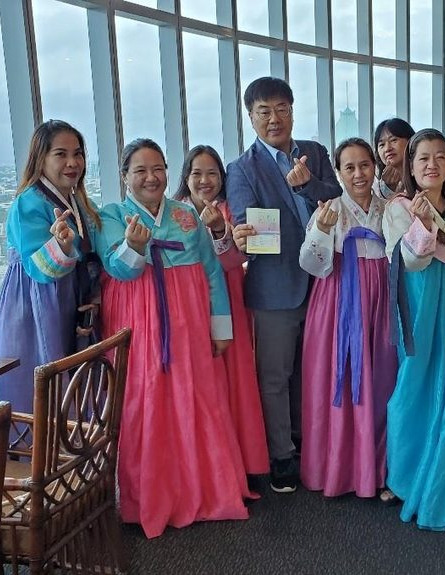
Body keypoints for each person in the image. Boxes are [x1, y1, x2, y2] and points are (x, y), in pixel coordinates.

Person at [96, 138, 253, 539]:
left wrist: (220, 328)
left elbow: (212, 271)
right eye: (140, 170)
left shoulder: (185, 215)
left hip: (190, 323)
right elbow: (119, 270)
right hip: (139, 322)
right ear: (125, 176)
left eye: (158, 169)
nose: (151, 178)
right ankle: (151, 498)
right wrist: (133, 247)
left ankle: (206, 490)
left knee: (198, 400)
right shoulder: (111, 216)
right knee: (145, 402)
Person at [227, 77, 342, 493]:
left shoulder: (314, 152)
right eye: (264, 111)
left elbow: (336, 197)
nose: (274, 118)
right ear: (251, 118)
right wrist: (245, 235)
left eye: (281, 109)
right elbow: (248, 223)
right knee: (275, 376)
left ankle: (305, 438)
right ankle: (281, 455)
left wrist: (307, 185)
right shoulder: (241, 168)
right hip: (275, 286)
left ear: (292, 111)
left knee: (313, 370)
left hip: (325, 283)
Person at [382, 129, 445, 531]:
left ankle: (443, 468)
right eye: (423, 157)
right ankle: (404, 474)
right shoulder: (399, 208)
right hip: (419, 302)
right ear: (410, 166)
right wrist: (423, 225)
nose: (432, 164)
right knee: (413, 383)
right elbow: (409, 261)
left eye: (440, 156)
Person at [298, 138, 397, 498]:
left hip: (380, 301)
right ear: (338, 173)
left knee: (381, 378)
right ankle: (341, 468)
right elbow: (311, 265)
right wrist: (322, 231)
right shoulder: (329, 210)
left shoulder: (389, 209)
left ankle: (379, 467)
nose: (358, 174)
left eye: (364, 165)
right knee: (340, 380)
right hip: (339, 301)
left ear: (375, 168)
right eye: (349, 167)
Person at [0, 119, 101, 421]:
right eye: (61, 154)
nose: (72, 162)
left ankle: (73, 445)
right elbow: (36, 268)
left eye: (78, 154)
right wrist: (61, 246)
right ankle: (35, 448)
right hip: (34, 305)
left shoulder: (78, 202)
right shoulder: (27, 203)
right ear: (40, 158)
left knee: (72, 382)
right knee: (41, 384)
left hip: (68, 298)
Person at [174, 145, 269, 476]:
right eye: (197, 174)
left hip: (230, 296)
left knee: (236, 374)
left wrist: (218, 230)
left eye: (212, 173)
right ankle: (203, 463)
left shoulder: (233, 210)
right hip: (188, 302)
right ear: (186, 178)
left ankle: (241, 458)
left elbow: (235, 261)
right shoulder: (174, 213)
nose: (205, 181)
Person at [373, 118, 416, 199]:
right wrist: (387, 190)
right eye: (382, 145)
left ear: (410, 141)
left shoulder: (423, 176)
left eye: (393, 140)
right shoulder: (374, 187)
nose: (387, 148)